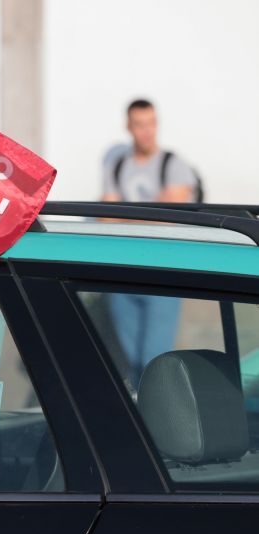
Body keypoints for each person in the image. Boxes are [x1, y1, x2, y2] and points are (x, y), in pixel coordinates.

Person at [101, 99, 198, 386]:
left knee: (155, 359)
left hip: (162, 272)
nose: (147, 131)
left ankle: (159, 422)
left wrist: (126, 217)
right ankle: (142, 421)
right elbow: (106, 218)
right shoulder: (118, 166)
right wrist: (151, 213)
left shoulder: (173, 164)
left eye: (151, 123)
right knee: (133, 362)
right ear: (129, 127)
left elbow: (172, 217)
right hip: (124, 270)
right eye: (140, 124)